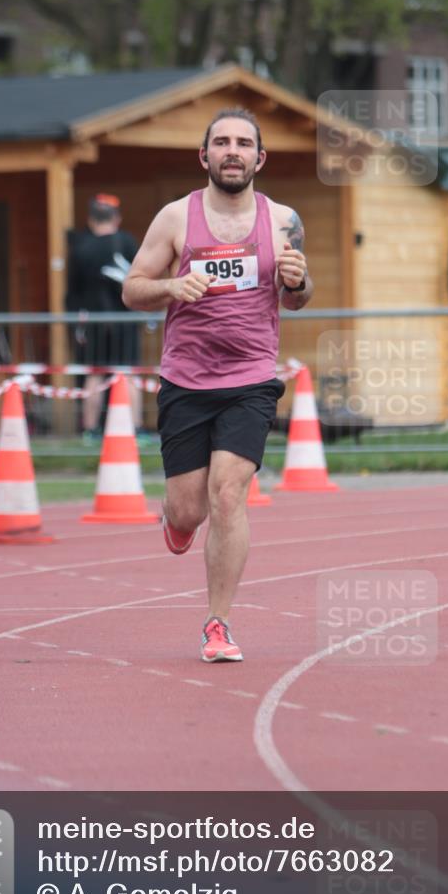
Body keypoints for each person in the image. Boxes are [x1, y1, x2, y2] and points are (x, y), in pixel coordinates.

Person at [123, 108, 313, 663]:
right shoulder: (175, 217)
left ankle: (217, 624)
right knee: (190, 510)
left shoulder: (283, 220)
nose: (233, 151)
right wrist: (172, 286)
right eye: (223, 142)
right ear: (204, 156)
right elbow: (132, 289)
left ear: (260, 158)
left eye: (244, 143)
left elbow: (298, 298)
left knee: (229, 494)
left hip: (251, 379)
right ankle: (176, 521)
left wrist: (298, 282)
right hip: (186, 380)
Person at [67, 194, 140, 440]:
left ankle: (90, 429)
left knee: (94, 373)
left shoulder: (81, 247)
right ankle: (135, 428)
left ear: (91, 220)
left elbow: (73, 290)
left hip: (93, 322)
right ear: (117, 218)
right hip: (125, 319)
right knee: (128, 373)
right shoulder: (127, 242)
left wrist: (74, 324)